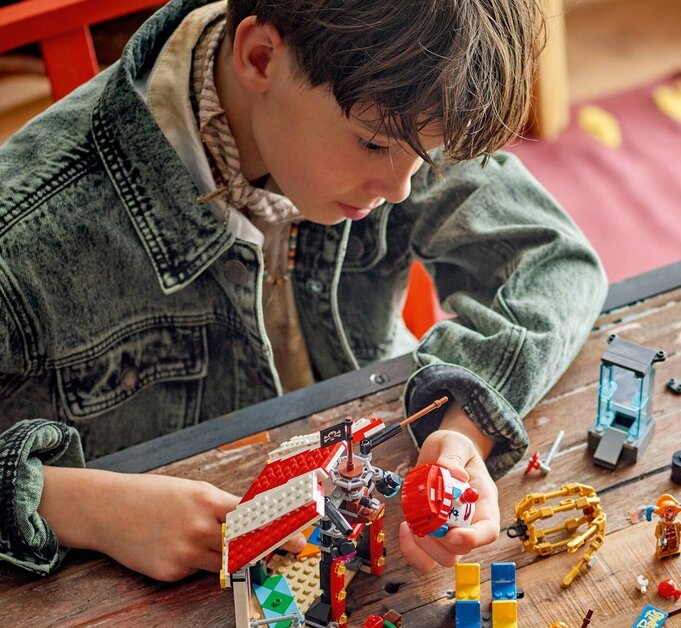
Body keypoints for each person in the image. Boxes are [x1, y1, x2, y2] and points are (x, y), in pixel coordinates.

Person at [0, 0, 606, 582]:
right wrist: (79, 507)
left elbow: (555, 261)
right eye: (373, 145)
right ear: (261, 58)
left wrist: (462, 427)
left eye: (428, 156)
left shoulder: (405, 88)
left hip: (353, 497)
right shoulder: (26, 231)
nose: (400, 189)